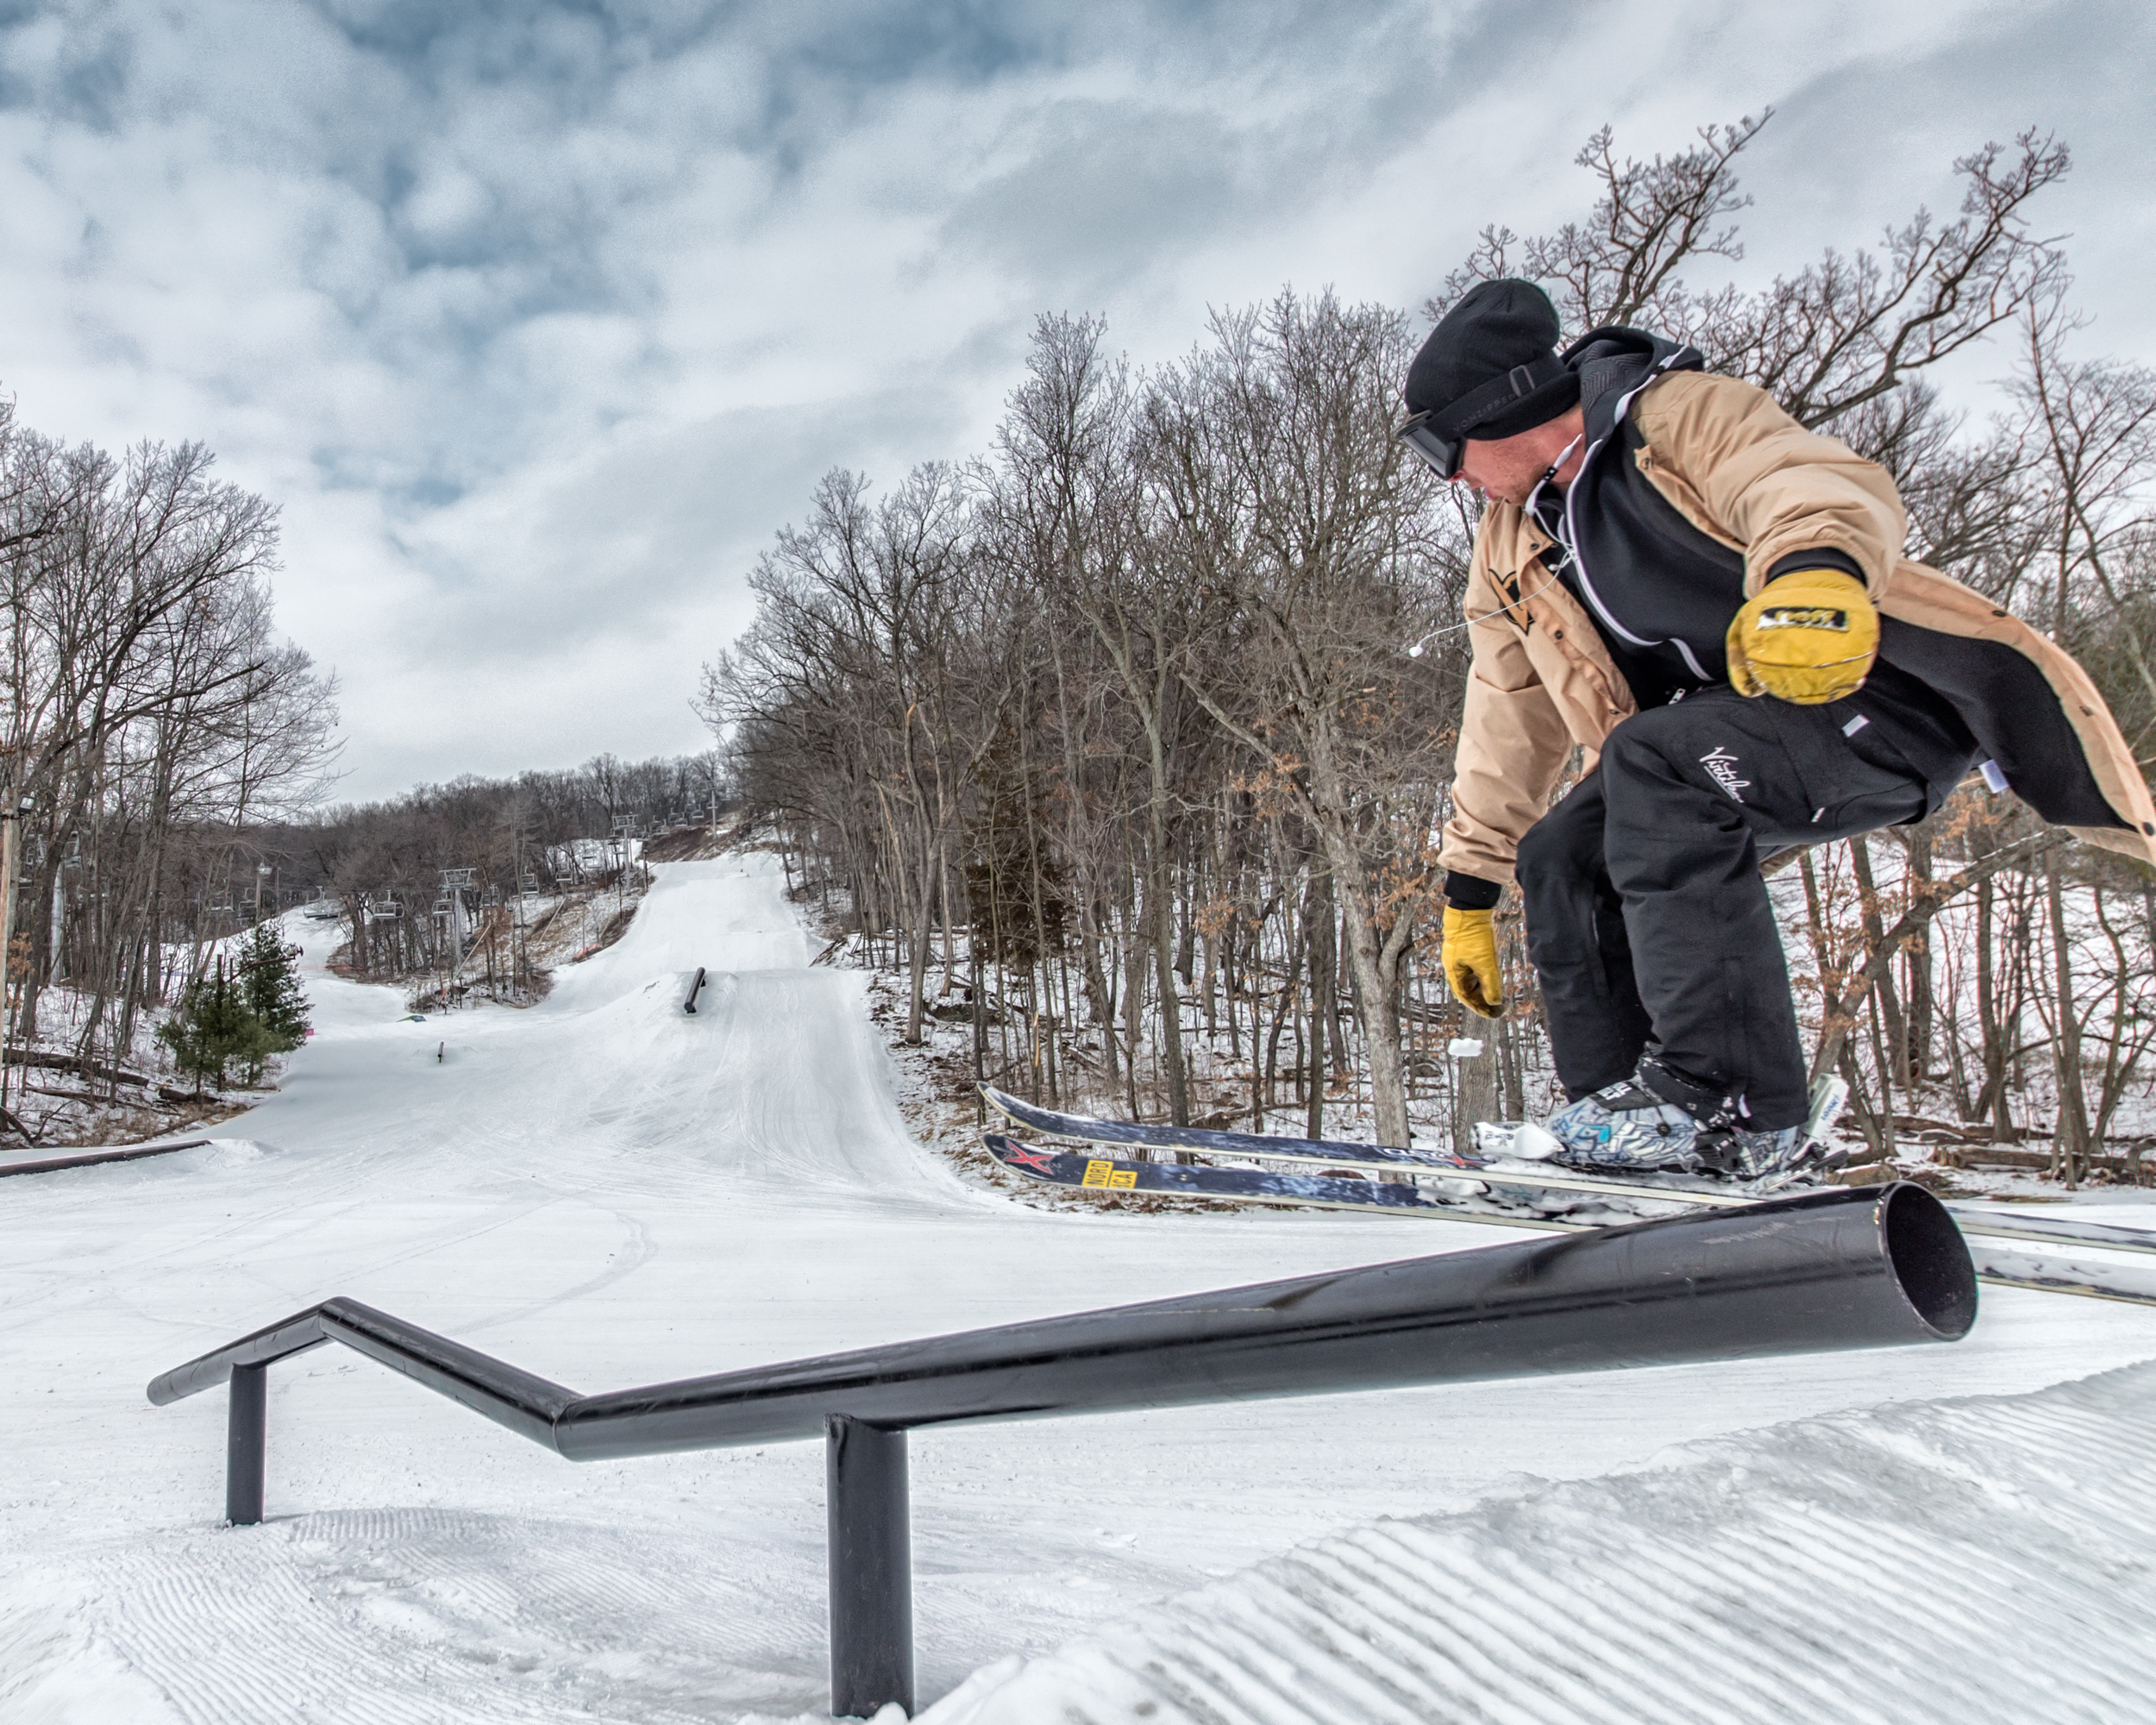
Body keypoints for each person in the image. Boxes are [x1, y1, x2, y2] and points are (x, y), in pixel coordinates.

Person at [1399, 279, 2156, 1178]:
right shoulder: (1511, 543)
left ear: (1503, 407)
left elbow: (1800, 478)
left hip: (1871, 700)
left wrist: (1813, 571)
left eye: (1443, 445)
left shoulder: (1673, 416)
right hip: (1725, 734)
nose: (1449, 475)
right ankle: (1619, 1122)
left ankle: (1731, 1105)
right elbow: (1506, 710)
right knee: (1564, 850)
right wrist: (1471, 884)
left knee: (1650, 763)